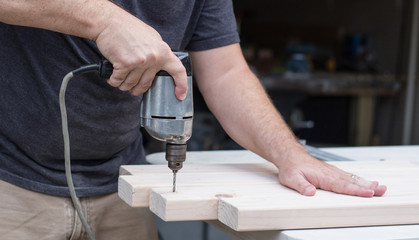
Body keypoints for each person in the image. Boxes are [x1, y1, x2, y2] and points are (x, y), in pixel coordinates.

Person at [0, 0, 386, 239]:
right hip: (11, 185)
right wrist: (102, 19)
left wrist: (290, 155)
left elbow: (225, 74)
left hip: (120, 185)